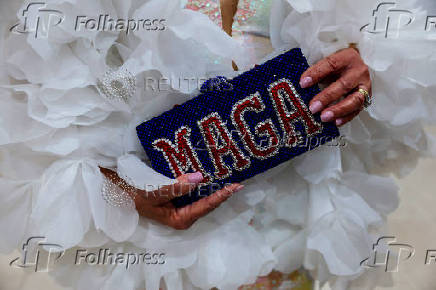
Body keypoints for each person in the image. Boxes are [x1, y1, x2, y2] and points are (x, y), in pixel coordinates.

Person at [0, 0, 434, 289]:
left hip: (304, 242)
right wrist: (118, 193)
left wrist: (369, 61)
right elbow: (28, 133)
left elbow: (402, 37)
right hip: (160, 264)